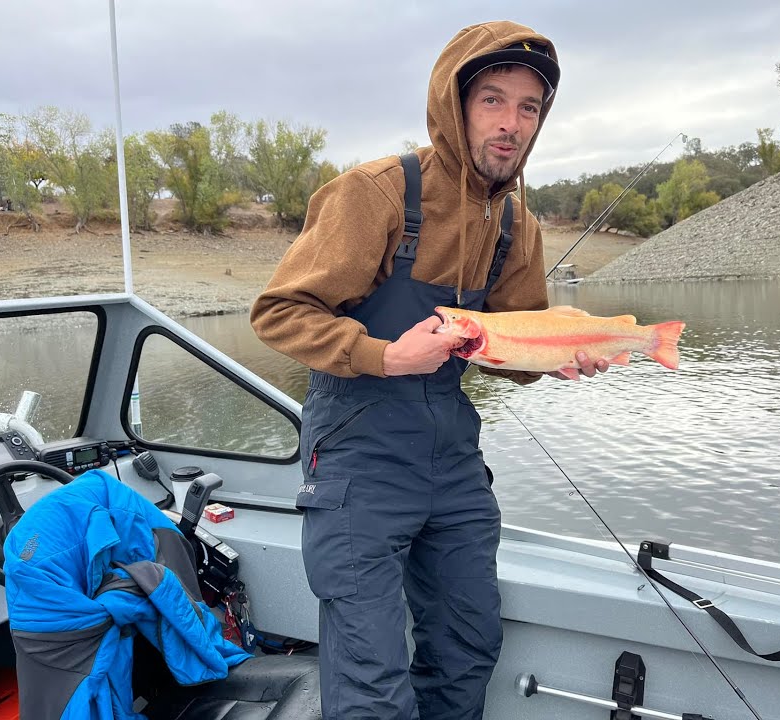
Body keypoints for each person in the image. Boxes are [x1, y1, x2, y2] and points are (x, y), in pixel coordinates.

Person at [250, 20, 607, 719]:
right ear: (456, 104)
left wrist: (557, 357)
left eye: (529, 107)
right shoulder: (378, 194)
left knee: (469, 644)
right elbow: (279, 311)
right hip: (359, 459)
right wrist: (384, 356)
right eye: (494, 100)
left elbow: (512, 347)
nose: (511, 124)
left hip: (452, 459)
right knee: (371, 678)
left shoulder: (517, 227)